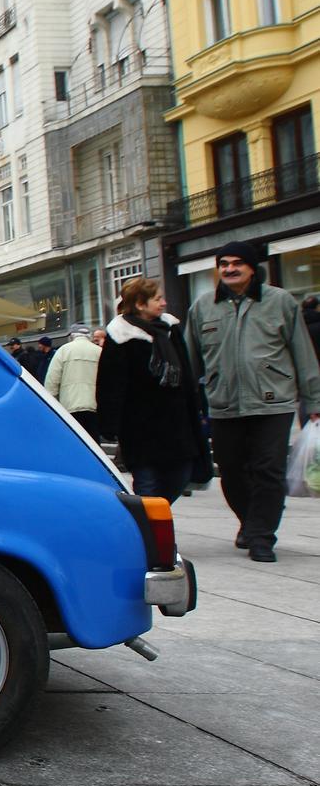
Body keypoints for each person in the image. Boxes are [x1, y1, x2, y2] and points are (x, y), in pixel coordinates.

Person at [186, 241, 320, 562]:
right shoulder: (203, 307)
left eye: (237, 263)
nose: (229, 269)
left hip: (273, 402)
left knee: (268, 470)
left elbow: (302, 353)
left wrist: (314, 401)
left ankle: (262, 536)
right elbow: (190, 359)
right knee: (231, 471)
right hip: (223, 403)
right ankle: (249, 521)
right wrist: (185, 403)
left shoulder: (280, 301)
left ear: (251, 268)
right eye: (224, 264)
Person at [97, 279, 204, 503]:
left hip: (176, 423)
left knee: (181, 476)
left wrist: (197, 405)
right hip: (139, 427)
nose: (164, 303)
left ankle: (155, 517)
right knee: (147, 486)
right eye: (157, 299)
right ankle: (150, 524)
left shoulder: (170, 329)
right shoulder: (120, 335)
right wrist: (110, 424)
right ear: (140, 304)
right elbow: (110, 383)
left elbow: (185, 373)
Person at [44, 327, 103, 441]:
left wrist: (51, 401)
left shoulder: (63, 350)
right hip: (94, 405)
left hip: (69, 404)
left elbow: (52, 378)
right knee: (93, 440)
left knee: (74, 439)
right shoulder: (99, 351)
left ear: (72, 336)